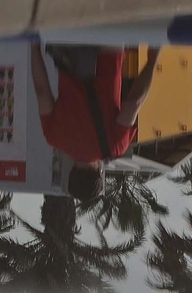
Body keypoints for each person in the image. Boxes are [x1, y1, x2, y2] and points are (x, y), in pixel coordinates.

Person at [29, 41, 161, 201]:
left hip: (109, 52)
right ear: (71, 172)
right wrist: (34, 46)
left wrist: (152, 60)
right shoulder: (53, 137)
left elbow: (134, 102)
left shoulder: (115, 147)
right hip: (69, 50)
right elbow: (41, 91)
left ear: (99, 172)